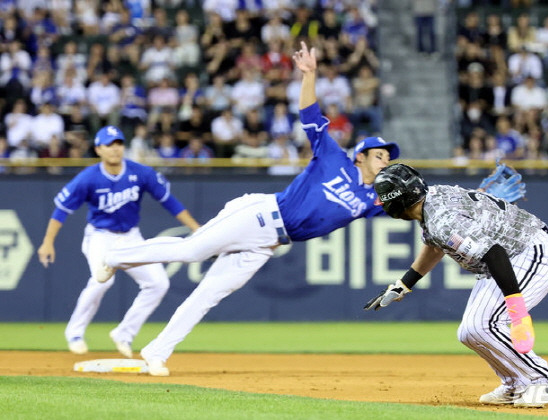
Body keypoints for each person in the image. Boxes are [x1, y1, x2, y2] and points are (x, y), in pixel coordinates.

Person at [93, 41, 401, 376]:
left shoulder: (373, 200)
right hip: (259, 215)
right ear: (361, 155)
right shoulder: (333, 157)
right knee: (192, 249)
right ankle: (113, 257)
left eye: (388, 156)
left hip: (269, 243)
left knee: (209, 293)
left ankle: (157, 351)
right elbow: (310, 115)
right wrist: (309, 75)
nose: (386, 160)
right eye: (380, 155)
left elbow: (410, 207)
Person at [365, 163, 548, 408]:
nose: (383, 206)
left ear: (395, 203)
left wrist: (516, 309)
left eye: (384, 201)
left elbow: (494, 253)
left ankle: (544, 380)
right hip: (509, 257)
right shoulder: (430, 203)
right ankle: (517, 383)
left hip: (531, 252)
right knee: (470, 331)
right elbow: (435, 244)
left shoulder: (442, 220)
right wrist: (404, 284)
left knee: (485, 325)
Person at [37, 125, 200, 358]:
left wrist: (195, 227)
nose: (115, 149)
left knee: (158, 283)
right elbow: (61, 210)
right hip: (100, 237)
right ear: (98, 149)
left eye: (119, 143)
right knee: (102, 281)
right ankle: (74, 332)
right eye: (109, 145)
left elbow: (169, 202)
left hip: (131, 238)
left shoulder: (141, 173)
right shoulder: (89, 177)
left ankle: (124, 333)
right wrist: (47, 242)